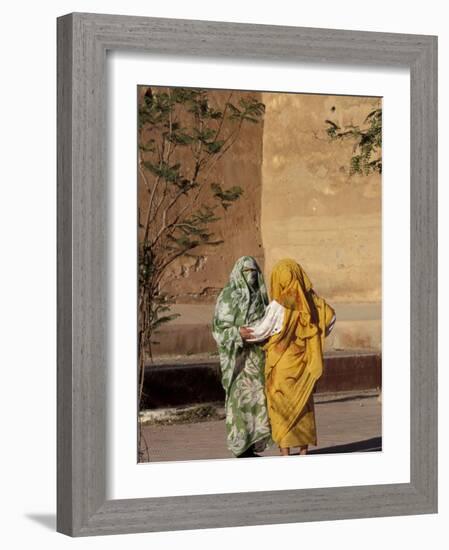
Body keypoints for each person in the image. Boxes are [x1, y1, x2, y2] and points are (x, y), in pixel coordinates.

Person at [245, 258, 335, 456]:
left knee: (280, 407)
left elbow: (261, 331)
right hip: (304, 364)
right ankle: (303, 451)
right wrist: (318, 335)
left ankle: (285, 452)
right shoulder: (315, 302)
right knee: (303, 406)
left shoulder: (279, 306)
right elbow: (330, 319)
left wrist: (241, 332)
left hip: (281, 365)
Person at [212, 256, 272, 458]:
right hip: (237, 362)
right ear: (239, 273)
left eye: (254, 271)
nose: (252, 276)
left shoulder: (261, 296)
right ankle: (240, 448)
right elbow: (218, 330)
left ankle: (252, 446)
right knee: (238, 402)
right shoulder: (227, 297)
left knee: (257, 401)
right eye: (247, 272)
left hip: (257, 358)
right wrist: (238, 333)